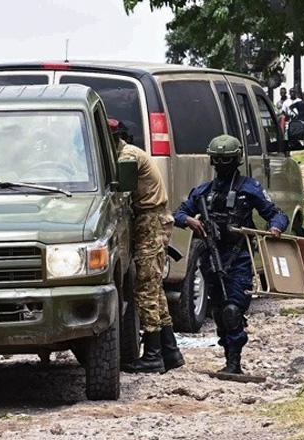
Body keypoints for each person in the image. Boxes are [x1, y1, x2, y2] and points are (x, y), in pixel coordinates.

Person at [173, 134, 288, 374]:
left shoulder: (250, 189)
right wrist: (190, 222)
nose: (222, 165)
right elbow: (178, 213)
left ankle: (234, 363)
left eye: (226, 160)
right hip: (211, 259)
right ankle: (228, 357)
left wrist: (275, 228)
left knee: (233, 310)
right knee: (218, 311)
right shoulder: (204, 192)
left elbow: (277, 214)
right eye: (219, 160)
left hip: (239, 259)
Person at [110, 119, 185, 374]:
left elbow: (119, 192)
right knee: (154, 288)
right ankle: (169, 351)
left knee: (145, 288)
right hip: (150, 220)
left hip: (150, 220)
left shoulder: (127, 156)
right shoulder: (124, 152)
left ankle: (153, 354)